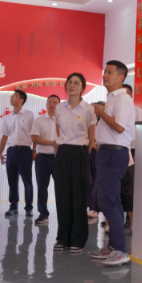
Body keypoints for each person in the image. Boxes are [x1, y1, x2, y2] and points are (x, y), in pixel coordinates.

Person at [90, 61, 134, 266]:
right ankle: (114, 246)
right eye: (104, 72)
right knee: (108, 199)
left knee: (109, 200)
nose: (105, 75)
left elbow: (119, 127)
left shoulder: (123, 99)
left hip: (115, 153)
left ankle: (120, 250)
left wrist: (100, 112)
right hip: (106, 152)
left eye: (110, 72)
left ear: (121, 77)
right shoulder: (111, 98)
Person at [53, 73, 97, 253]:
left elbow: (91, 135)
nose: (72, 85)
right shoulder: (59, 108)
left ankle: (78, 239)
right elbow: (58, 132)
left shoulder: (88, 109)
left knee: (79, 196)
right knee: (62, 196)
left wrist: (84, 154)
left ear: (82, 88)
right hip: (63, 152)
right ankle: (62, 237)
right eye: (69, 82)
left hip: (80, 153)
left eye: (76, 83)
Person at [0, 90, 35, 217]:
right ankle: (13, 207)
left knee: (27, 180)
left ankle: (29, 207)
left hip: (25, 150)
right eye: (11, 96)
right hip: (11, 151)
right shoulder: (7, 117)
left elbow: (35, 134)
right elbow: (4, 136)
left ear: (21, 100)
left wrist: (34, 150)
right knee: (12, 180)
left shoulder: (29, 115)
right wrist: (0, 152)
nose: (11, 97)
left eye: (15, 96)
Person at [31, 94, 61, 225]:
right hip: (43, 158)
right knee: (42, 187)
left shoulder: (63, 120)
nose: (52, 104)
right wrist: (52, 143)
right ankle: (43, 214)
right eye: (50, 102)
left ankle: (63, 214)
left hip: (59, 159)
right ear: (46, 105)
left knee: (61, 188)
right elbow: (34, 138)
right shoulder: (39, 120)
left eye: (55, 102)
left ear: (59, 105)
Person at [119, 83, 142, 231]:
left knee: (131, 186)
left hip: (133, 150)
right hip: (120, 149)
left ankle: (131, 220)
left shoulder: (138, 111)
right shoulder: (115, 109)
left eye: (126, 93)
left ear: (131, 95)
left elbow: (140, 131)